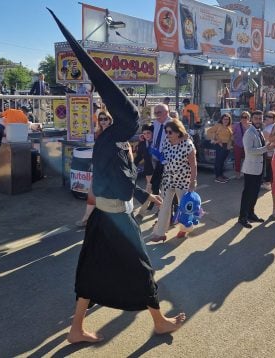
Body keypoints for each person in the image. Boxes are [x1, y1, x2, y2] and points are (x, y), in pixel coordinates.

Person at [48, 9, 186, 343]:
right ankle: (159, 322)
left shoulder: (119, 144)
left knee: (93, 273)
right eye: (108, 122)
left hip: (110, 216)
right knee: (142, 269)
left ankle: (76, 329)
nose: (125, 127)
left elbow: (124, 181)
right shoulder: (107, 144)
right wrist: (139, 195)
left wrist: (143, 196)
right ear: (104, 125)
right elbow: (112, 183)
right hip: (114, 218)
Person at [147, 119, 198, 242]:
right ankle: (160, 233)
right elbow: (163, 156)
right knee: (164, 206)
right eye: (166, 132)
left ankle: (185, 228)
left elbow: (193, 165)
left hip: (183, 180)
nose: (167, 134)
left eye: (170, 132)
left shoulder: (187, 145)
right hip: (168, 179)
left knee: (185, 207)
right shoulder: (166, 142)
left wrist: (192, 182)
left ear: (178, 132)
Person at [237, 110, 275, 228]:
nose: (258, 121)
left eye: (260, 118)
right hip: (251, 169)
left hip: (259, 168)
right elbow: (250, 151)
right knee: (247, 193)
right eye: (256, 118)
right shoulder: (249, 133)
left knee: (254, 193)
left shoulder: (259, 131)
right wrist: (266, 148)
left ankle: (251, 213)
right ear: (251, 120)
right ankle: (242, 217)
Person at [76, 111, 113, 227]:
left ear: (110, 120)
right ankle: (86, 218)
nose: (103, 121)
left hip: (111, 169)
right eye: (101, 119)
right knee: (93, 192)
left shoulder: (114, 133)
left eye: (105, 119)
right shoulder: (98, 133)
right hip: (99, 168)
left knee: (108, 196)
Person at [135, 124, 156, 219]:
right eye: (144, 133)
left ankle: (142, 212)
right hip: (149, 171)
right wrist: (131, 166)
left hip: (159, 171)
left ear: (153, 133)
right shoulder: (142, 144)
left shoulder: (157, 143)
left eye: (148, 133)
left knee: (153, 190)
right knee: (150, 190)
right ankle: (144, 211)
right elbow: (139, 157)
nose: (146, 135)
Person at [206, 113, 233, 183]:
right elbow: (209, 132)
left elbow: (230, 137)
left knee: (222, 162)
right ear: (222, 119)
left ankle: (221, 175)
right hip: (220, 145)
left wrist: (229, 146)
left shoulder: (229, 127)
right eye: (224, 119)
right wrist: (216, 140)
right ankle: (218, 177)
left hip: (226, 146)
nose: (226, 120)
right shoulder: (218, 125)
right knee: (218, 161)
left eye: (227, 119)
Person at [232, 111, 251, 179]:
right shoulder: (236, 125)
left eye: (245, 117)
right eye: (242, 117)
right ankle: (237, 173)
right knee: (237, 160)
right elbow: (231, 133)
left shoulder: (251, 126)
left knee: (247, 160)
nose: (243, 118)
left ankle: (245, 172)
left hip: (248, 146)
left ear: (249, 118)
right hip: (238, 145)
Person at [261, 111, 275, 191]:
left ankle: (267, 183)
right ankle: (268, 182)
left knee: (269, 168)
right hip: (268, 150)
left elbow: (272, 140)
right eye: (266, 116)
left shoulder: (271, 127)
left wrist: (271, 147)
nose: (267, 118)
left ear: (274, 119)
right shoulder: (269, 126)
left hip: (269, 150)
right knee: (269, 167)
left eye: (270, 117)